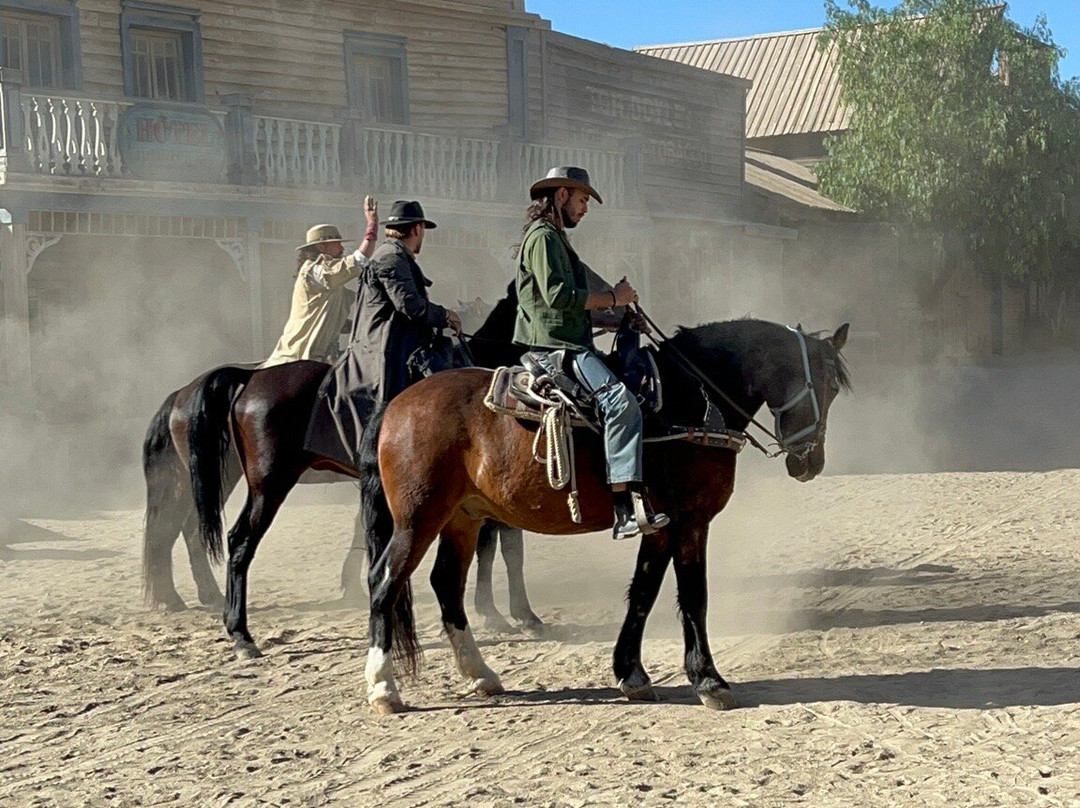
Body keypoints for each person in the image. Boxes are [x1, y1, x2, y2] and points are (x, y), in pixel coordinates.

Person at [514, 166, 668, 541]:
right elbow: (558, 297)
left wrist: (618, 320)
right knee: (620, 404)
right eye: (582, 200)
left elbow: (572, 307)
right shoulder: (543, 238)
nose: (585, 209)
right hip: (555, 349)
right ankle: (623, 508)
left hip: (568, 341)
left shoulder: (557, 240)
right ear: (562, 195)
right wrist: (616, 298)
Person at [305, 200, 461, 464]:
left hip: (392, 341)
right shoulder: (392, 257)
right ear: (418, 229)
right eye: (422, 229)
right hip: (385, 347)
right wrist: (445, 315)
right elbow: (410, 306)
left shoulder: (394, 255)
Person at [261, 196, 380, 368]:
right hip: (299, 358)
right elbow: (358, 261)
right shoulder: (314, 271)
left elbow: (341, 315)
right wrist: (372, 225)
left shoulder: (330, 281)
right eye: (336, 244)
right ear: (322, 247)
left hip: (321, 357)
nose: (341, 249)